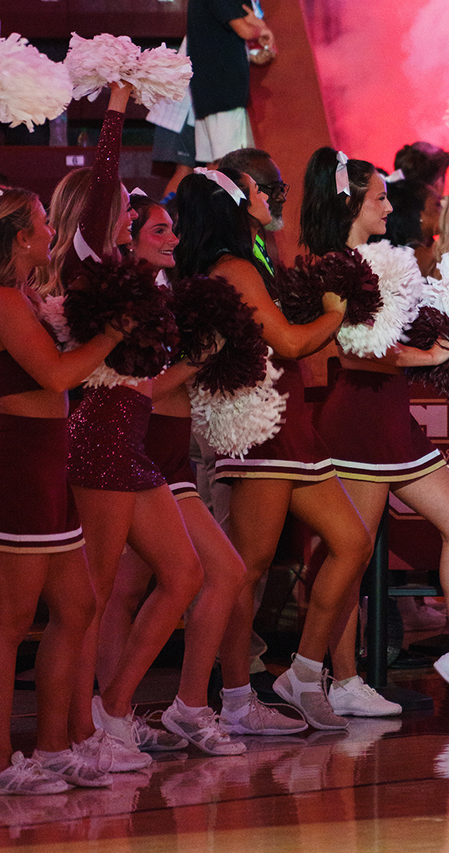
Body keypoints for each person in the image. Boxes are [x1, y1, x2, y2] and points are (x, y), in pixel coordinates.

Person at [39, 83, 208, 772]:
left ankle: (110, 714)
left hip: (128, 446)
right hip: (99, 439)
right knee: (91, 598)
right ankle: (81, 736)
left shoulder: (121, 272)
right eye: (117, 212)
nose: (127, 216)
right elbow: (107, 182)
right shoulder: (85, 269)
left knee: (185, 571)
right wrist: (116, 106)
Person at [173, 167, 373, 733]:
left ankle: (304, 673)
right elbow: (286, 341)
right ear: (235, 205)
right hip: (261, 431)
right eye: (257, 191)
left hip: (289, 426)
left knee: (350, 540)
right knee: (244, 570)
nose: (268, 197)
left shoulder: (249, 258)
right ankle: (234, 700)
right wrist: (338, 310)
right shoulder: (233, 267)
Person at [302, 148, 449, 715]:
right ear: (351, 203)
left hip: (391, 415)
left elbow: (394, 336)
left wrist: (443, 336)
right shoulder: (336, 265)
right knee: (350, 557)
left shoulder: (384, 260)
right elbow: (354, 354)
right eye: (378, 197)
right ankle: (339, 680)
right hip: (359, 417)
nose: (390, 206)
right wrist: (422, 357)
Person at [94, 190, 259, 757]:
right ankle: (117, 711)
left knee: (185, 578)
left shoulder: (167, 295)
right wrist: (197, 360)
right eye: (157, 231)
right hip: (139, 450)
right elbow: (134, 393)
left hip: (170, 456)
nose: (172, 240)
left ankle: (161, 707)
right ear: (130, 236)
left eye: (173, 230)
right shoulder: (121, 300)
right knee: (149, 583)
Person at [0, 186, 125, 794]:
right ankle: (3, 762)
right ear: (22, 237)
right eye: (44, 222)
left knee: (76, 606)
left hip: (49, 463)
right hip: (19, 463)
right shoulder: (2, 302)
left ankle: (51, 749)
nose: (51, 229)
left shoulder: (23, 296)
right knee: (10, 622)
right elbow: (53, 376)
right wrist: (110, 338)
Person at [187, 0, 273, 164]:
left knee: (213, 167)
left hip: (207, 93)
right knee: (229, 164)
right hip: (224, 92)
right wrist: (262, 29)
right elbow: (245, 30)